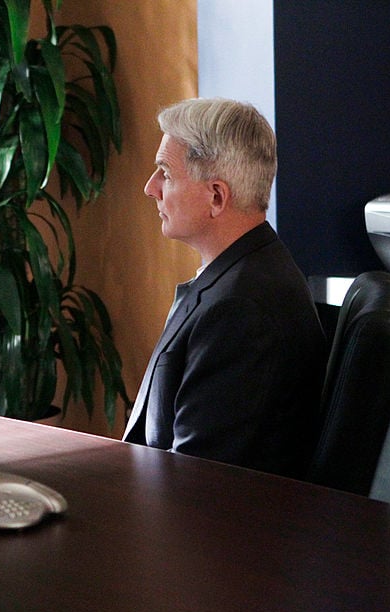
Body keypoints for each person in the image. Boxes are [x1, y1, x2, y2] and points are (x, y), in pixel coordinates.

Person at [122, 97, 326, 476]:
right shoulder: (239, 277)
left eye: (165, 173)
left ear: (216, 196)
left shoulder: (241, 309)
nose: (150, 188)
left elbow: (197, 481)